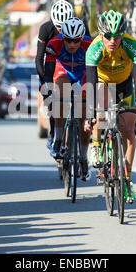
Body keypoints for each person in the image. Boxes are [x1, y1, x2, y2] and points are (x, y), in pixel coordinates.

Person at [84, 10, 136, 203]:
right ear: (100, 34)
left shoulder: (133, 46)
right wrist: (90, 116)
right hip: (103, 83)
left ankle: (127, 180)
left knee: (129, 131)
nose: (113, 40)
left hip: (124, 85)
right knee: (101, 110)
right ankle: (96, 144)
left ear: (123, 34)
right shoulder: (94, 49)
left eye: (117, 36)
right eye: (108, 36)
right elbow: (90, 83)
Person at [43, 17, 92, 181]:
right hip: (63, 71)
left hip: (82, 75)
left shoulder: (90, 45)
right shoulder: (54, 44)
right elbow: (48, 73)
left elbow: (95, 75)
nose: (72, 45)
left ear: (82, 38)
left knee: (83, 118)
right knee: (60, 95)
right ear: (62, 37)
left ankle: (84, 158)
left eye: (76, 40)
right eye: (68, 40)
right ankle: (58, 139)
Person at [35, 0, 74, 151]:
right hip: (53, 64)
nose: (61, 31)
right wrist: (44, 80)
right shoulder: (46, 29)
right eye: (58, 27)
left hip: (73, 64)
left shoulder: (79, 25)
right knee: (52, 100)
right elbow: (39, 58)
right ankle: (54, 132)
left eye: (64, 28)